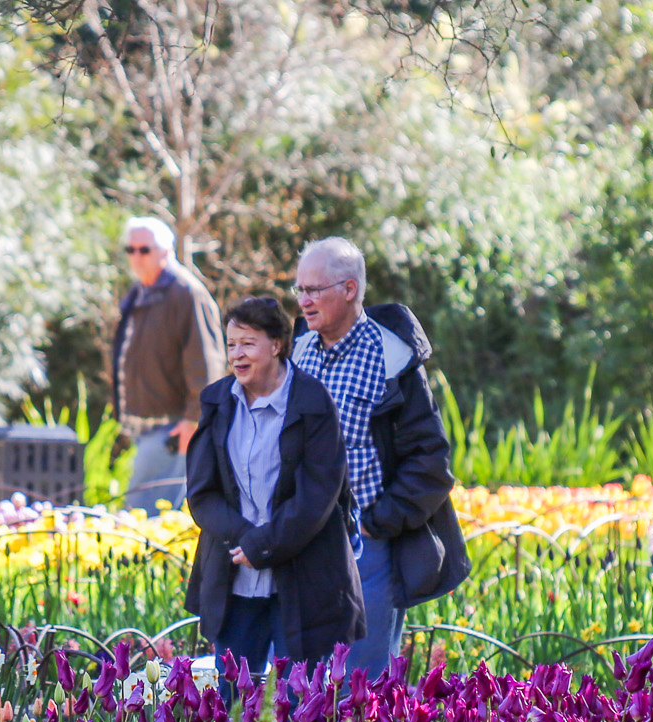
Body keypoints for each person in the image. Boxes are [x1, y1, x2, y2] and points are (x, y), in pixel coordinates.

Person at [290, 237, 469, 678]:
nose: (304, 301)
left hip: (365, 549)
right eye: (299, 290)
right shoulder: (295, 352)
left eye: (314, 290)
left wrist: (377, 522)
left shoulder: (391, 359)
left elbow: (431, 463)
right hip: (298, 547)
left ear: (349, 289)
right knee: (296, 694)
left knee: (358, 692)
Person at [184, 295, 364, 673]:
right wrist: (245, 538)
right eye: (232, 345)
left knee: (302, 709)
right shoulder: (217, 402)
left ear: (277, 345)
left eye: (248, 343)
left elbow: (319, 495)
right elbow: (202, 493)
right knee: (234, 707)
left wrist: (264, 546)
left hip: (304, 583)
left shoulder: (313, 401)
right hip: (235, 579)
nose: (237, 355)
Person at [110, 218, 226, 517]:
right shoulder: (141, 291)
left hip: (173, 427)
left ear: (165, 251)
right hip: (147, 425)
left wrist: (193, 419)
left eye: (144, 250)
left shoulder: (186, 292)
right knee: (151, 514)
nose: (136, 257)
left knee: (146, 516)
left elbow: (207, 361)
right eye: (130, 250)